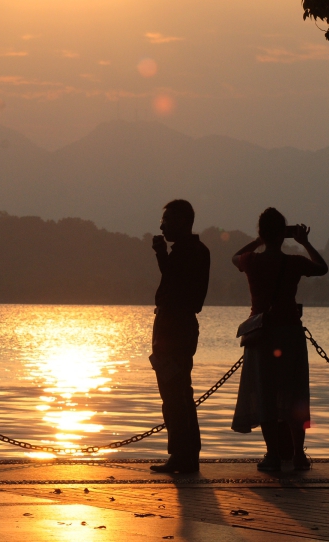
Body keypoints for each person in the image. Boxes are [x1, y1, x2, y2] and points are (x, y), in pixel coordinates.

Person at [230, 207, 328, 472]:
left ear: (262, 232)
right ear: (283, 235)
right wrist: (304, 242)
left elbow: (234, 256)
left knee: (266, 394)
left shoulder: (252, 261)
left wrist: (259, 241)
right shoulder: (295, 262)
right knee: (295, 393)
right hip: (290, 334)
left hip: (262, 335)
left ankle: (272, 455)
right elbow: (322, 268)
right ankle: (298, 456)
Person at [149, 200, 210, 474]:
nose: (162, 226)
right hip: (175, 327)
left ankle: (182, 456)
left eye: (168, 220)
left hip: (176, 329)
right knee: (177, 392)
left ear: (184, 223)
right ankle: (186, 455)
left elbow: (175, 281)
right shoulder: (197, 250)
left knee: (175, 393)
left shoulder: (188, 252)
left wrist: (161, 254)